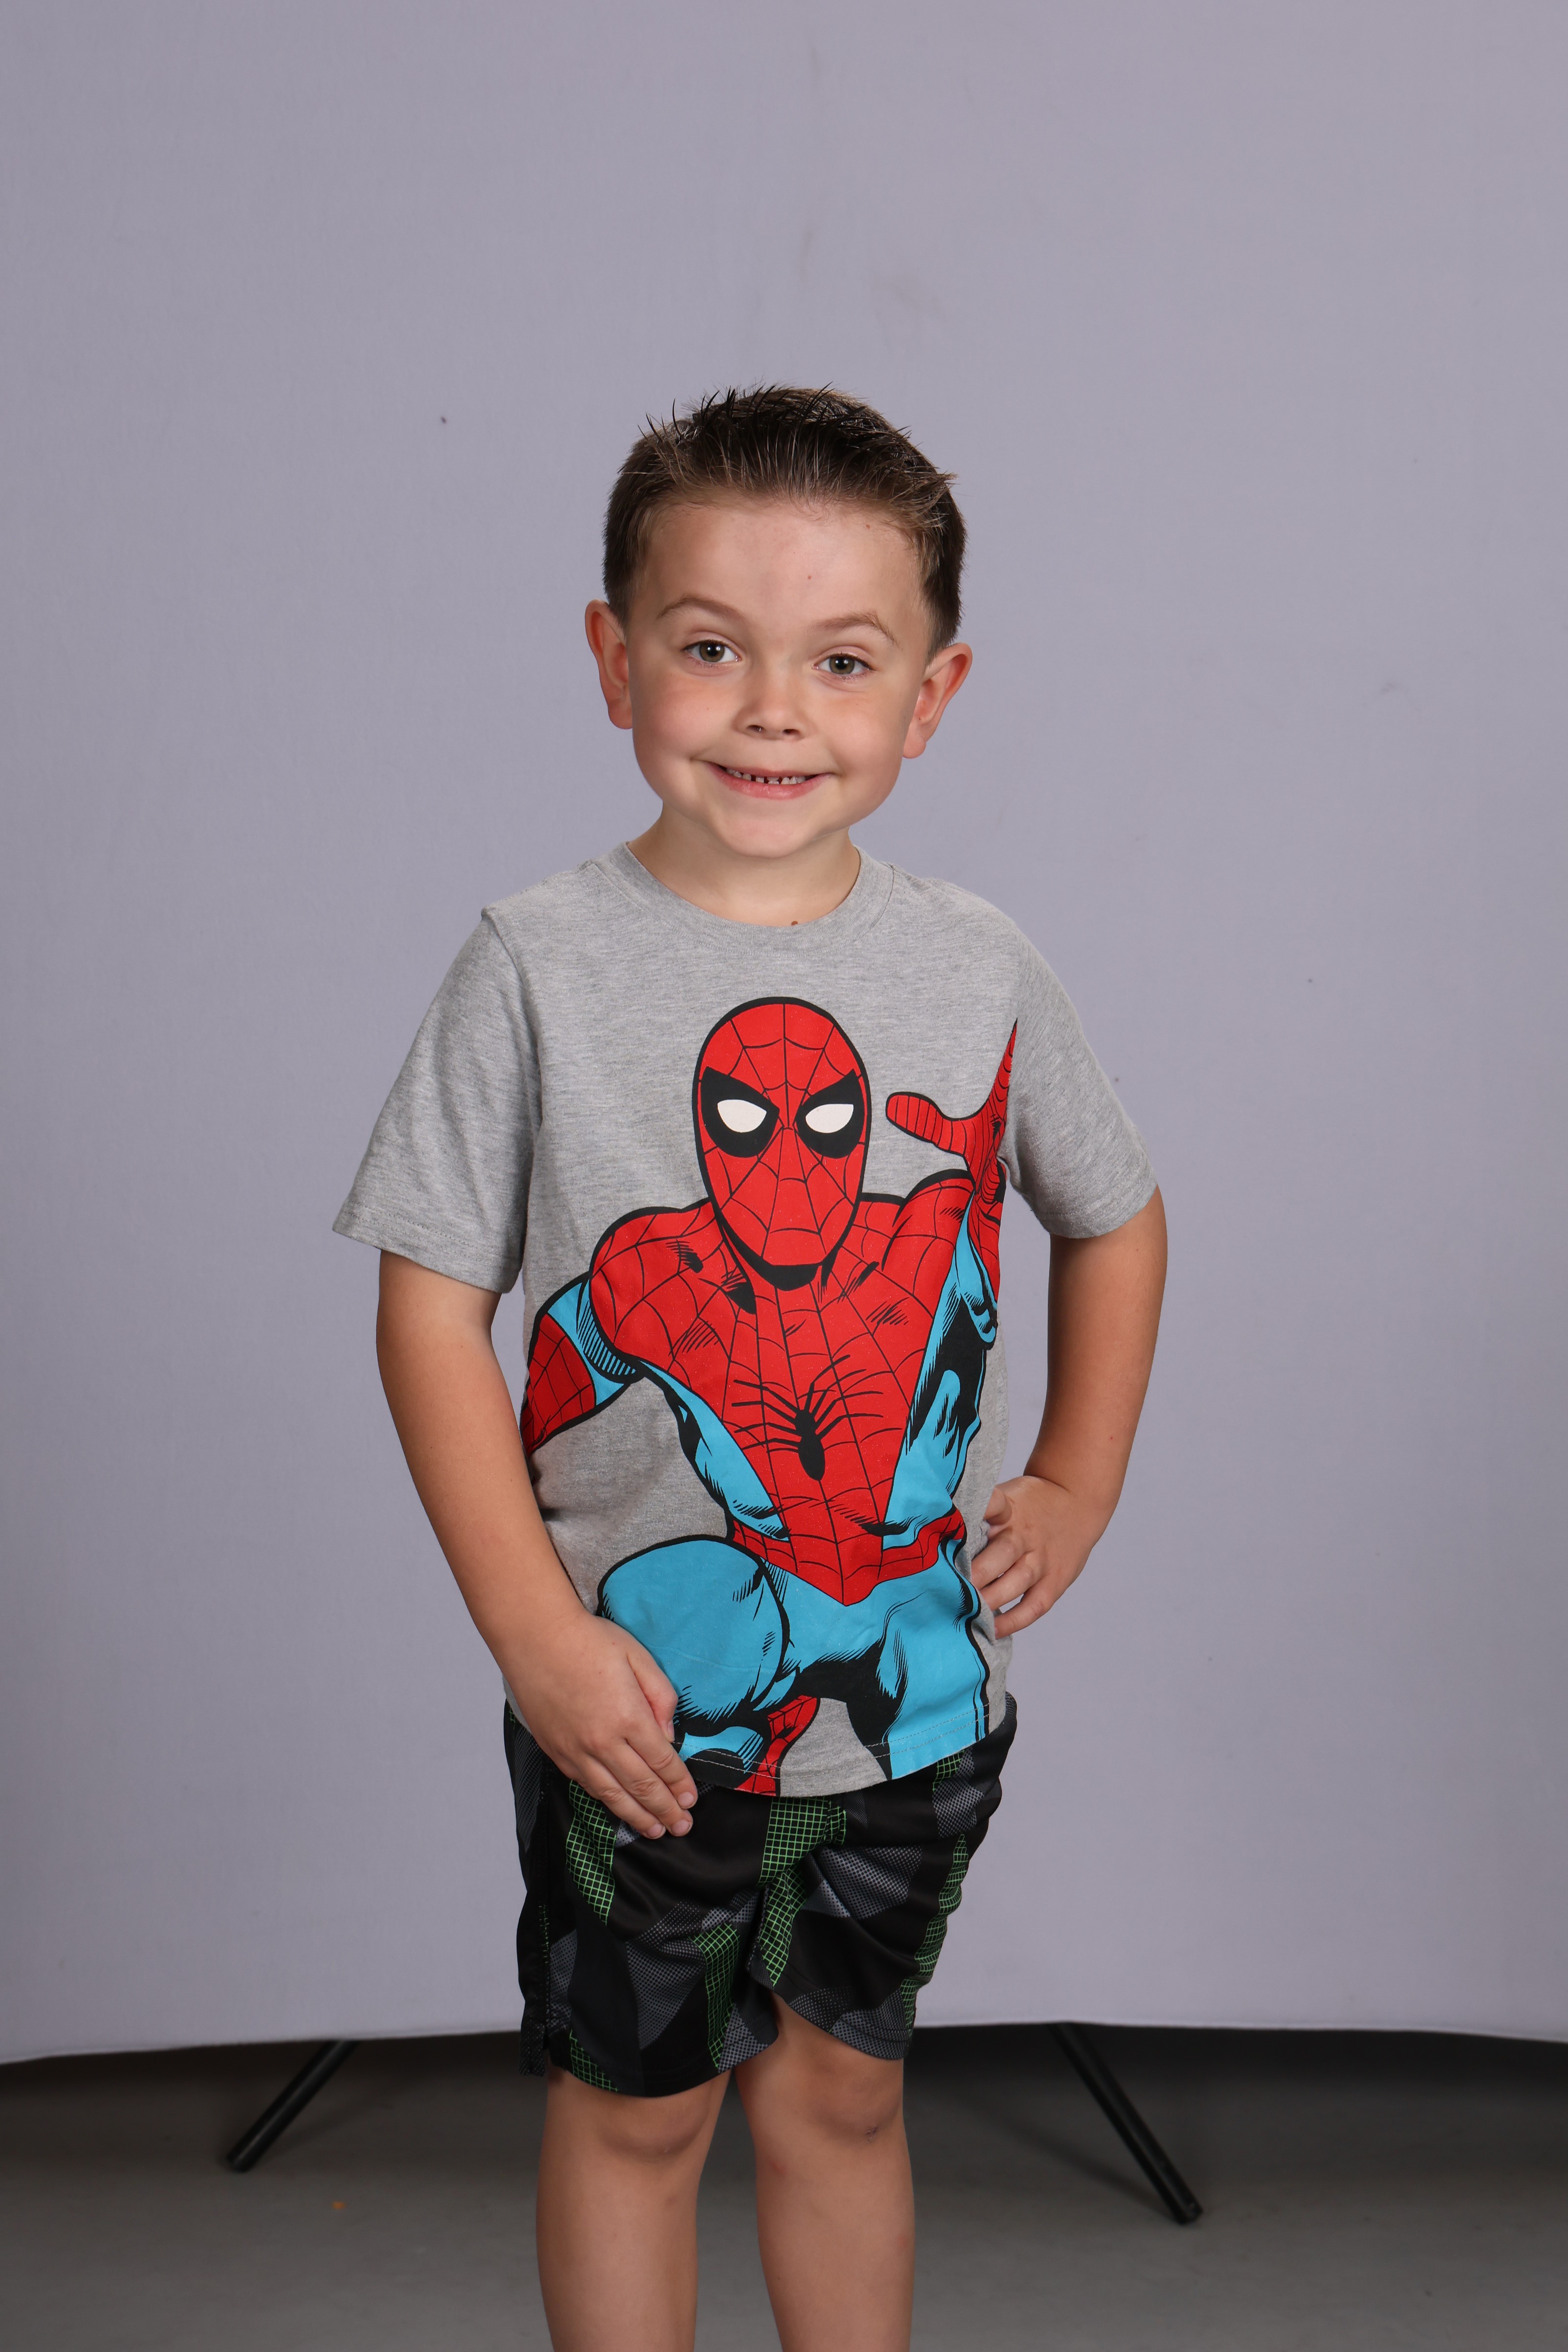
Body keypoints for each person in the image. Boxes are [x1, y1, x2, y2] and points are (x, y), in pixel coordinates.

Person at [335, 385, 1167, 2352]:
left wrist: (1078, 1474)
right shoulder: (534, 965)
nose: (773, 709)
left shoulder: (973, 970)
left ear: (931, 696)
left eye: (842, 661)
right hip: (645, 1707)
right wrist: (536, 1632)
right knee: (640, 2111)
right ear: (614, 657)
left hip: (916, 1691)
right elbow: (432, 1311)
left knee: (844, 2095)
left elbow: (1113, 1214)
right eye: (711, 647)